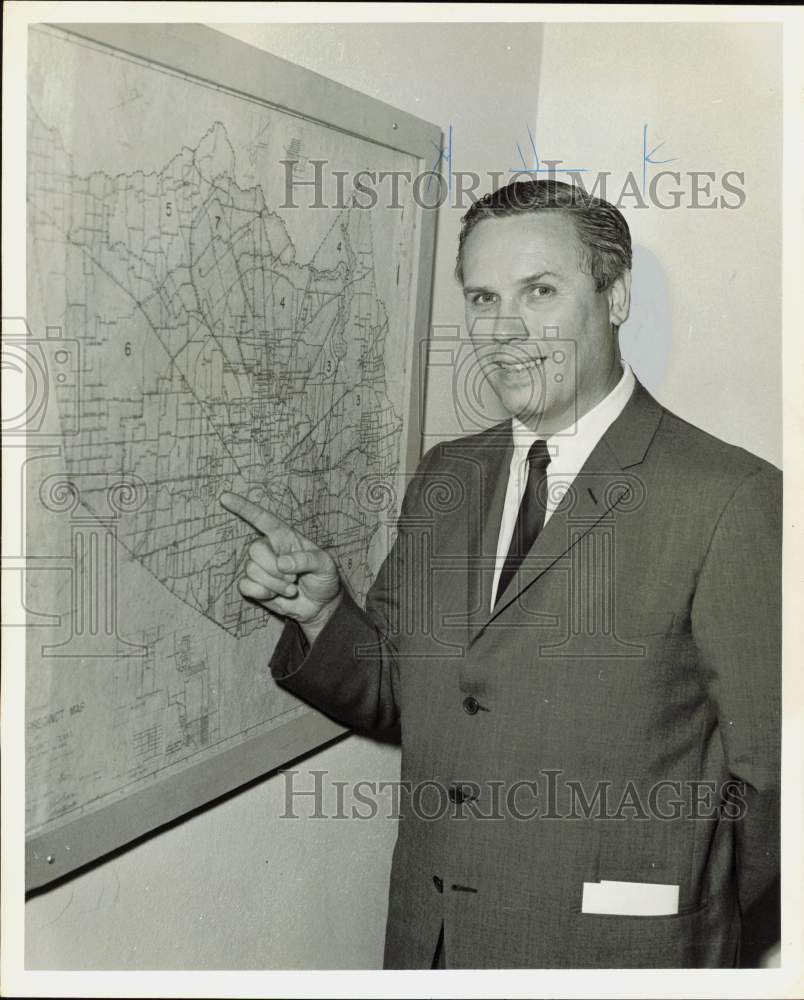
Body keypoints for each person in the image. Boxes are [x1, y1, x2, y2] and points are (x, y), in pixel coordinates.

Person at [220, 180, 781, 969]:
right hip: (434, 944)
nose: (505, 329)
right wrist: (321, 615)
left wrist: (689, 905)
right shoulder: (446, 476)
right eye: (484, 297)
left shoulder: (729, 496)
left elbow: (776, 775)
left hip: (622, 956)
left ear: (615, 296)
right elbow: (395, 694)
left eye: (540, 291)